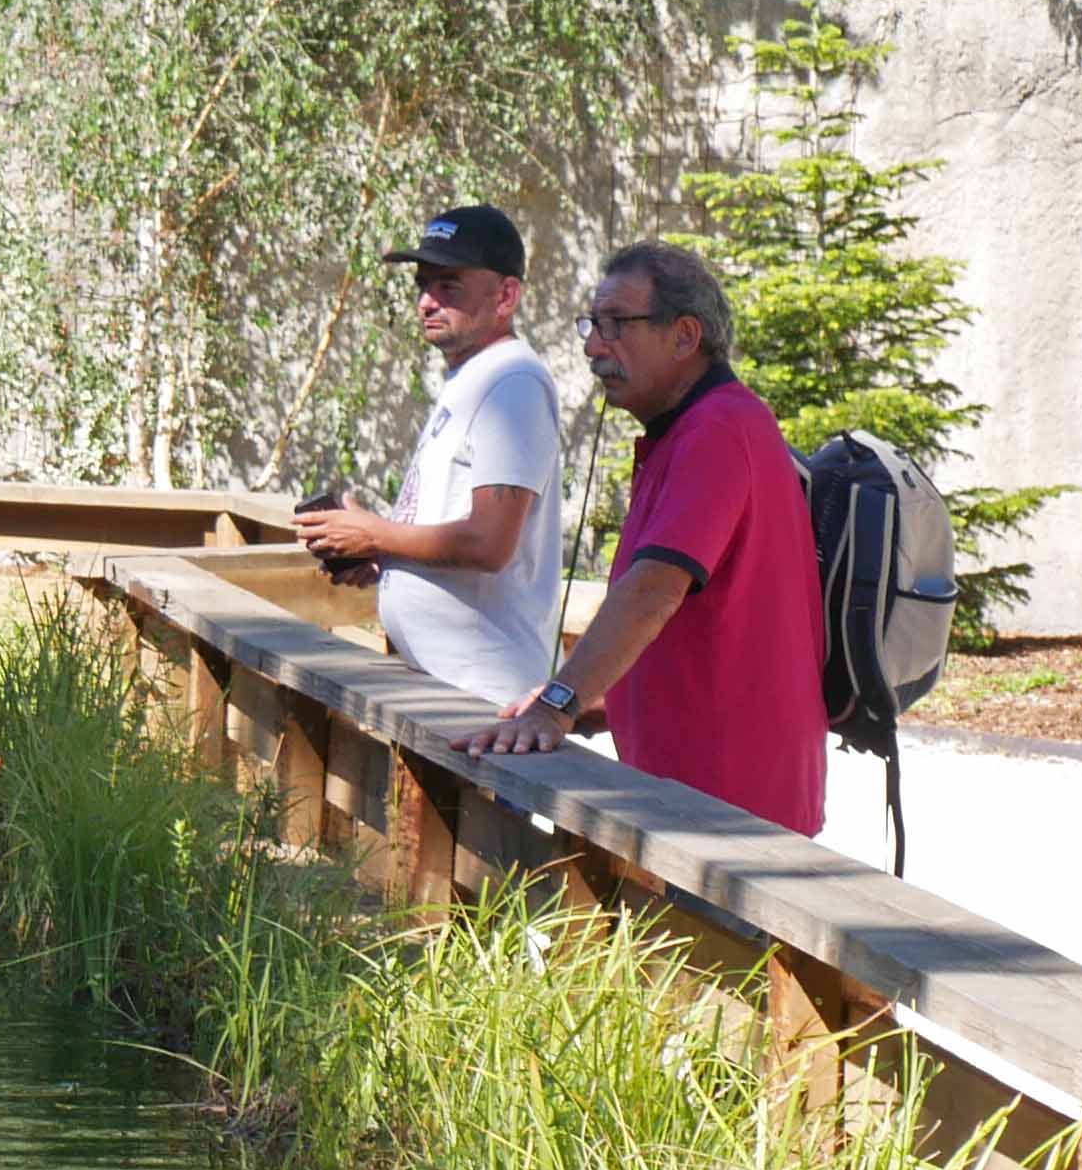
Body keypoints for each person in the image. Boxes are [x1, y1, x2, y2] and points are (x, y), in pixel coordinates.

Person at [467, 242, 826, 831]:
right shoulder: (694, 430)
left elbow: (652, 592)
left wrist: (558, 703)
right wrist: (588, 699)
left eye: (616, 324)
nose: (593, 346)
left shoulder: (717, 428)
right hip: (701, 791)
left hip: (730, 807)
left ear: (684, 337)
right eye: (592, 324)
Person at [290, 203, 563, 704]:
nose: (426, 303)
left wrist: (374, 533)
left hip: (485, 700)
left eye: (449, 286)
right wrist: (382, 556)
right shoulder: (474, 377)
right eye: (423, 284)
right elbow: (451, 530)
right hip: (443, 687)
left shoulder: (515, 385)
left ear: (507, 295)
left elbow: (489, 543)